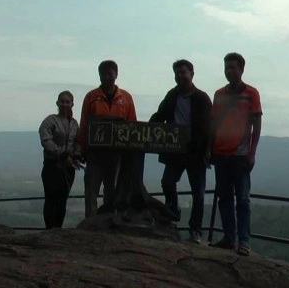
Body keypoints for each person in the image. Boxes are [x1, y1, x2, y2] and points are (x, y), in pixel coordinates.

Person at [149, 59, 212, 244]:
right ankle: (173, 211)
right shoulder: (172, 95)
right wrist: (146, 128)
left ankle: (195, 231)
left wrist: (209, 150)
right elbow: (160, 115)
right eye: (177, 73)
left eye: (183, 72)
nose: (180, 76)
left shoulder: (202, 98)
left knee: (198, 193)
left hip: (196, 151)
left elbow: (211, 127)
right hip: (175, 149)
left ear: (192, 74)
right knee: (167, 181)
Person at [208, 52, 262, 256]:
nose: (229, 71)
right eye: (226, 68)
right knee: (224, 198)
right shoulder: (219, 95)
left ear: (241, 69)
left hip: (240, 155)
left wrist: (252, 152)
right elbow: (213, 124)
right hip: (220, 153)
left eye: (232, 67)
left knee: (242, 199)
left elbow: (256, 124)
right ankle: (230, 238)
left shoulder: (251, 94)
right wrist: (209, 149)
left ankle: (244, 241)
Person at [78, 60, 137, 217]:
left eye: (110, 73)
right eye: (103, 74)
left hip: (116, 153)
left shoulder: (126, 98)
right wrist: (82, 148)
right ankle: (90, 221)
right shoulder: (91, 97)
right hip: (95, 152)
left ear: (116, 74)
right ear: (99, 75)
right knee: (91, 188)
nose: (106, 77)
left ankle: (108, 220)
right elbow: (84, 124)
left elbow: (133, 125)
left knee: (112, 189)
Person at [39, 91, 82, 228]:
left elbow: (77, 142)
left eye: (67, 102)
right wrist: (63, 155)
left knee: (62, 200)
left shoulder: (74, 124)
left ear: (72, 104)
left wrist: (76, 156)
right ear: (57, 103)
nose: (64, 104)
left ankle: (58, 228)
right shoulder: (49, 121)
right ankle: (49, 229)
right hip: (52, 165)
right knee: (51, 198)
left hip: (68, 169)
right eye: (62, 101)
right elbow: (46, 141)